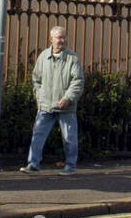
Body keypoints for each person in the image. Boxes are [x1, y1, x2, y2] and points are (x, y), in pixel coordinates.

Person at [20, 26, 84, 175]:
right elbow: (36, 79)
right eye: (59, 37)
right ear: (51, 39)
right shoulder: (43, 57)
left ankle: (70, 166)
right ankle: (33, 164)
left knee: (69, 138)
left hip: (66, 106)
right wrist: (40, 97)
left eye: (64, 37)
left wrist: (68, 98)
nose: (62, 40)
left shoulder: (72, 58)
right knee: (38, 135)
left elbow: (78, 81)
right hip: (46, 105)